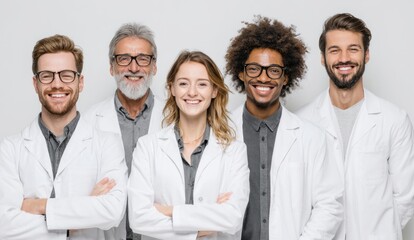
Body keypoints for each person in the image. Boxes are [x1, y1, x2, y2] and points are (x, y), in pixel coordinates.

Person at [296, 13, 414, 240]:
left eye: (353, 49)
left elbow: (405, 198)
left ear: (366, 54)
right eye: (334, 50)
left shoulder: (394, 120)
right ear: (323, 57)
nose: (344, 58)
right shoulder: (302, 121)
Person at [225, 16, 343, 240]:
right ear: (241, 73)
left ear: (286, 77)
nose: (263, 77)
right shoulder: (218, 132)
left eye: (274, 71)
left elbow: (329, 206)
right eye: (254, 69)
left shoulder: (312, 137)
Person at [0, 35, 127, 239]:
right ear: (35, 83)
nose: (57, 84)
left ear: (80, 82)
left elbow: (112, 211)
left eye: (66, 75)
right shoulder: (10, 149)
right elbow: (4, 225)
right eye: (47, 75)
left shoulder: (107, 144)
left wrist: (39, 206)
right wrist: (77, 217)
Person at [128, 50, 250, 239]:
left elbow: (232, 218)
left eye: (202, 84)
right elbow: (138, 218)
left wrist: (170, 211)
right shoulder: (147, 147)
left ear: (214, 91)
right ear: (172, 89)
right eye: (183, 83)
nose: (192, 92)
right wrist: (207, 222)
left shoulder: (234, 151)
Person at [84, 23, 164, 240]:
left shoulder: (174, 119)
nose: (134, 67)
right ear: (112, 67)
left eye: (143, 59)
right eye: (124, 59)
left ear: (154, 66)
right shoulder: (88, 122)